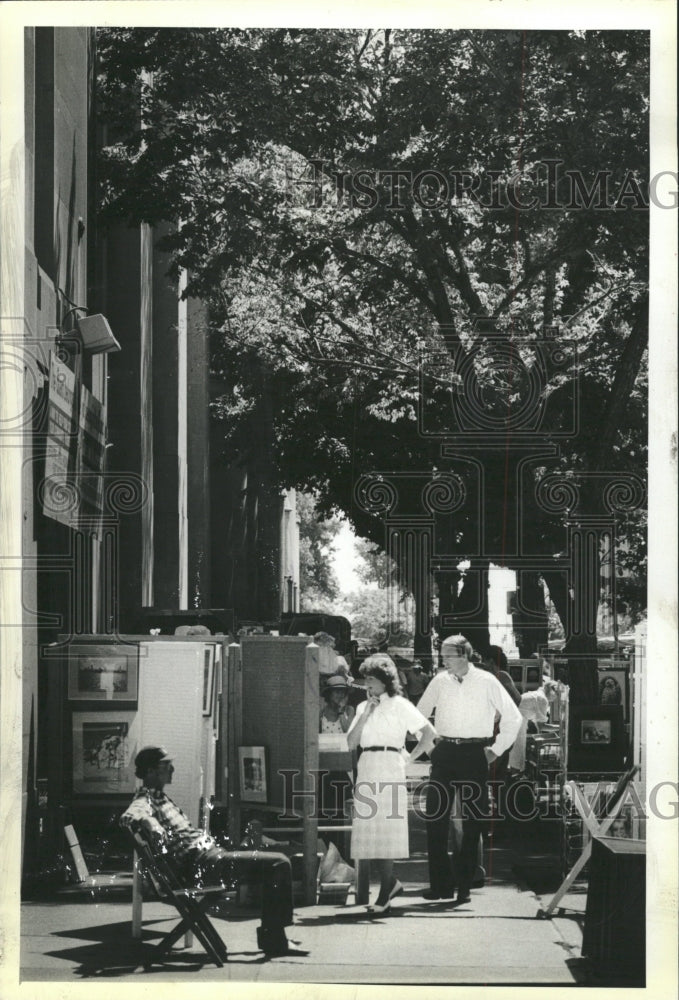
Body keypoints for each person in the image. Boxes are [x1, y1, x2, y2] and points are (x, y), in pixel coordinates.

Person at [120, 746, 296, 956]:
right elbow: (129, 816)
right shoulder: (145, 799)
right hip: (203, 865)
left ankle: (275, 939)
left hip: (208, 859)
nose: (173, 769)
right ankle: (275, 941)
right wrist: (151, 824)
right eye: (166, 766)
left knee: (273, 864)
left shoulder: (160, 798)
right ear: (150, 771)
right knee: (279, 863)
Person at [415, 634, 522, 905]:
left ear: (464, 655)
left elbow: (514, 717)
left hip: (476, 753)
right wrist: (431, 748)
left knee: (474, 822)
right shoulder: (439, 681)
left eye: (448, 656)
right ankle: (440, 885)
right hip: (445, 752)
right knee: (435, 819)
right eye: (442, 656)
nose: (443, 661)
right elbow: (417, 716)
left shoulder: (487, 681)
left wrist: (495, 751)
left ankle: (464, 885)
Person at [346, 654, 436, 914]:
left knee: (387, 829)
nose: (368, 685)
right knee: (368, 832)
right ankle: (391, 883)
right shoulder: (363, 707)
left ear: (386, 681)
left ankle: (385, 890)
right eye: (366, 680)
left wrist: (410, 759)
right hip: (367, 765)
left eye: (372, 679)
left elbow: (429, 734)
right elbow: (351, 743)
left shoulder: (401, 704)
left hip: (390, 764)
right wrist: (366, 714)